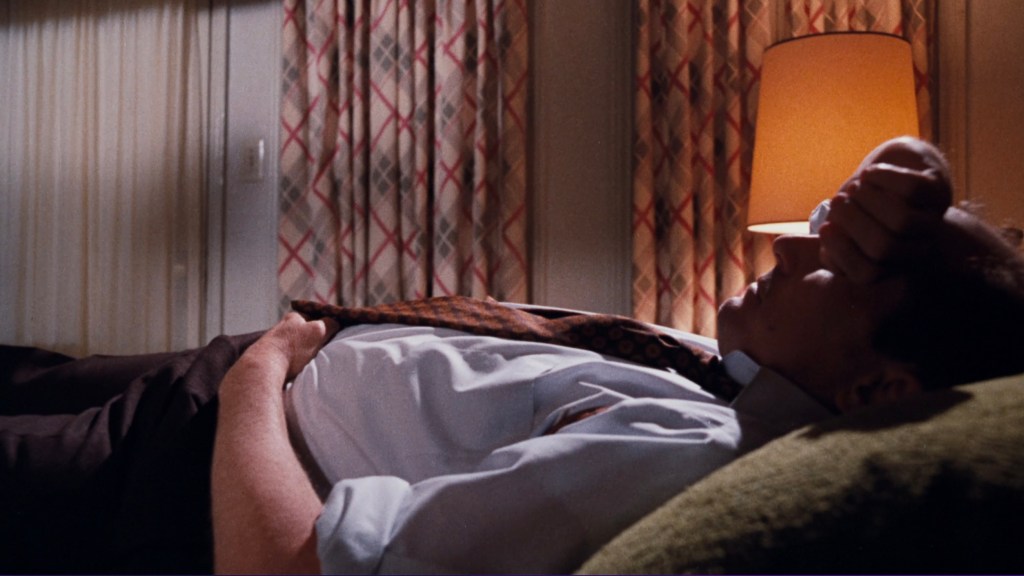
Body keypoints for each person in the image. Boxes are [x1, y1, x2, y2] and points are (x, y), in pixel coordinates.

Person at [2, 137, 1023, 574]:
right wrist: (906, 166)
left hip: (187, 463)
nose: (792, 244)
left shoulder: (690, 450)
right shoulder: (728, 378)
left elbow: (294, 569)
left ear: (881, 386)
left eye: (837, 269)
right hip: (221, 390)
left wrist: (256, 379)